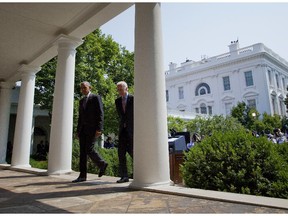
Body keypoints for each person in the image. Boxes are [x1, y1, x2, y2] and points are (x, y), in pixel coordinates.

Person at [72, 81, 108, 183]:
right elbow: (80, 117)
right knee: (82, 153)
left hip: (92, 129)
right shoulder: (81, 101)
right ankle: (82, 176)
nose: (83, 89)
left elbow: (100, 114)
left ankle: (102, 163)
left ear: (90, 88)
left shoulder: (96, 98)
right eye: (81, 88)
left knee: (89, 149)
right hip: (82, 130)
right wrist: (77, 131)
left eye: (84, 87)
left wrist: (99, 129)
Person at [115, 81, 134, 183]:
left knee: (133, 153)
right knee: (121, 153)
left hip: (132, 131)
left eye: (121, 89)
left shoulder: (133, 99)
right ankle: (124, 176)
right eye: (118, 89)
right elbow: (121, 116)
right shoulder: (117, 101)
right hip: (122, 131)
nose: (119, 91)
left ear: (126, 88)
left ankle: (139, 174)